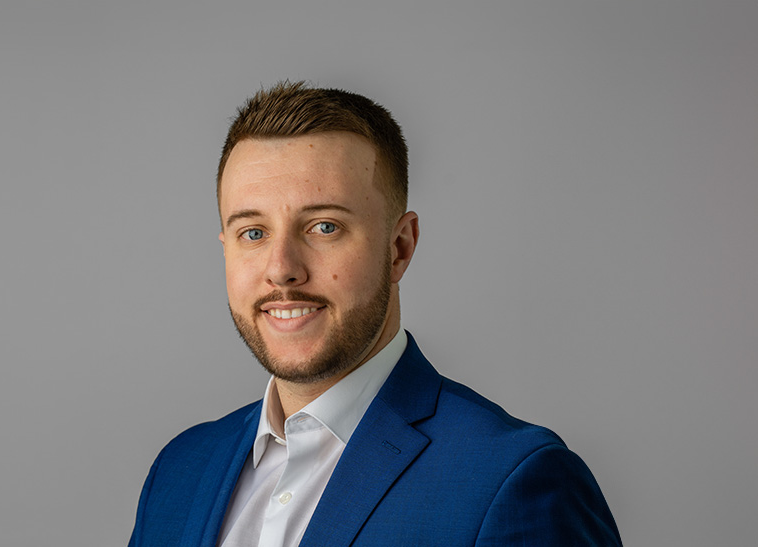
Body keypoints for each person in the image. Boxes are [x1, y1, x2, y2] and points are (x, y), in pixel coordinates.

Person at [128, 81, 622, 546]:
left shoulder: (513, 479)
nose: (281, 270)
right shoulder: (179, 471)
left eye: (324, 226)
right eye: (253, 233)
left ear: (399, 247)